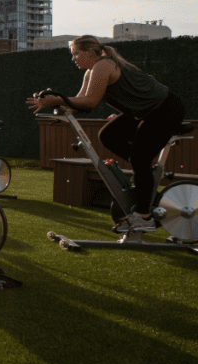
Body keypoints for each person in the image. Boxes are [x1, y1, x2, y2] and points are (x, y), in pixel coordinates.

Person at [27, 35, 186, 233]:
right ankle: (145, 174)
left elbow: (90, 102)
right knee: (108, 136)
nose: (73, 58)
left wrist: (59, 99)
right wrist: (56, 102)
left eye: (76, 54)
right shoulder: (90, 72)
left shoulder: (103, 65)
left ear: (89, 52)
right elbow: (79, 102)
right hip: (143, 111)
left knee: (139, 158)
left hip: (165, 109)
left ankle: (145, 217)